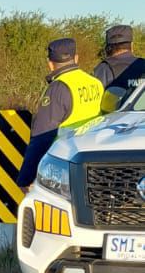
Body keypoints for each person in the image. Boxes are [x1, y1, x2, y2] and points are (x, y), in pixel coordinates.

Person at [18, 37, 103, 188]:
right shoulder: (95, 83)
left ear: (50, 64)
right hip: (92, 161)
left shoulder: (59, 87)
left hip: (64, 163)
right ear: (76, 58)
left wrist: (25, 178)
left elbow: (42, 136)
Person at [92, 24, 145, 111]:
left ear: (108, 47)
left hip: (112, 121)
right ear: (131, 45)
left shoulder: (103, 69)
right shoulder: (143, 64)